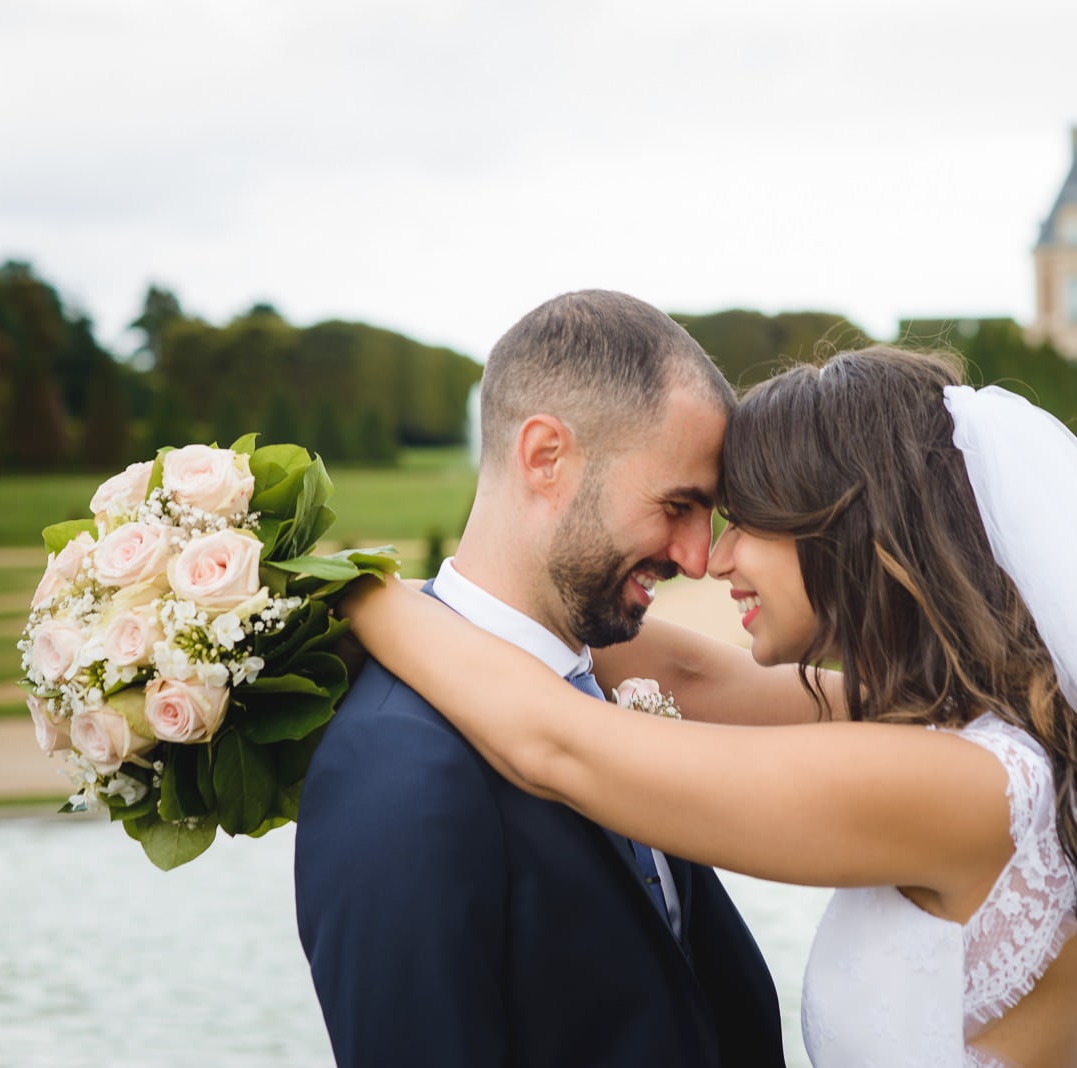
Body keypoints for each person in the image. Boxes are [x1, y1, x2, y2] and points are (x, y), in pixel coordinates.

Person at [343, 346, 1077, 1066]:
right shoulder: (980, 724)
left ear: (849, 531)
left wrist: (335, 592)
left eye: (747, 519)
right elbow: (688, 682)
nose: (713, 554)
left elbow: (559, 748)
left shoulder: (953, 788)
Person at [293, 290, 786, 1067]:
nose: (697, 557)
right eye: (678, 505)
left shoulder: (610, 685)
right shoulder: (397, 769)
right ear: (546, 457)